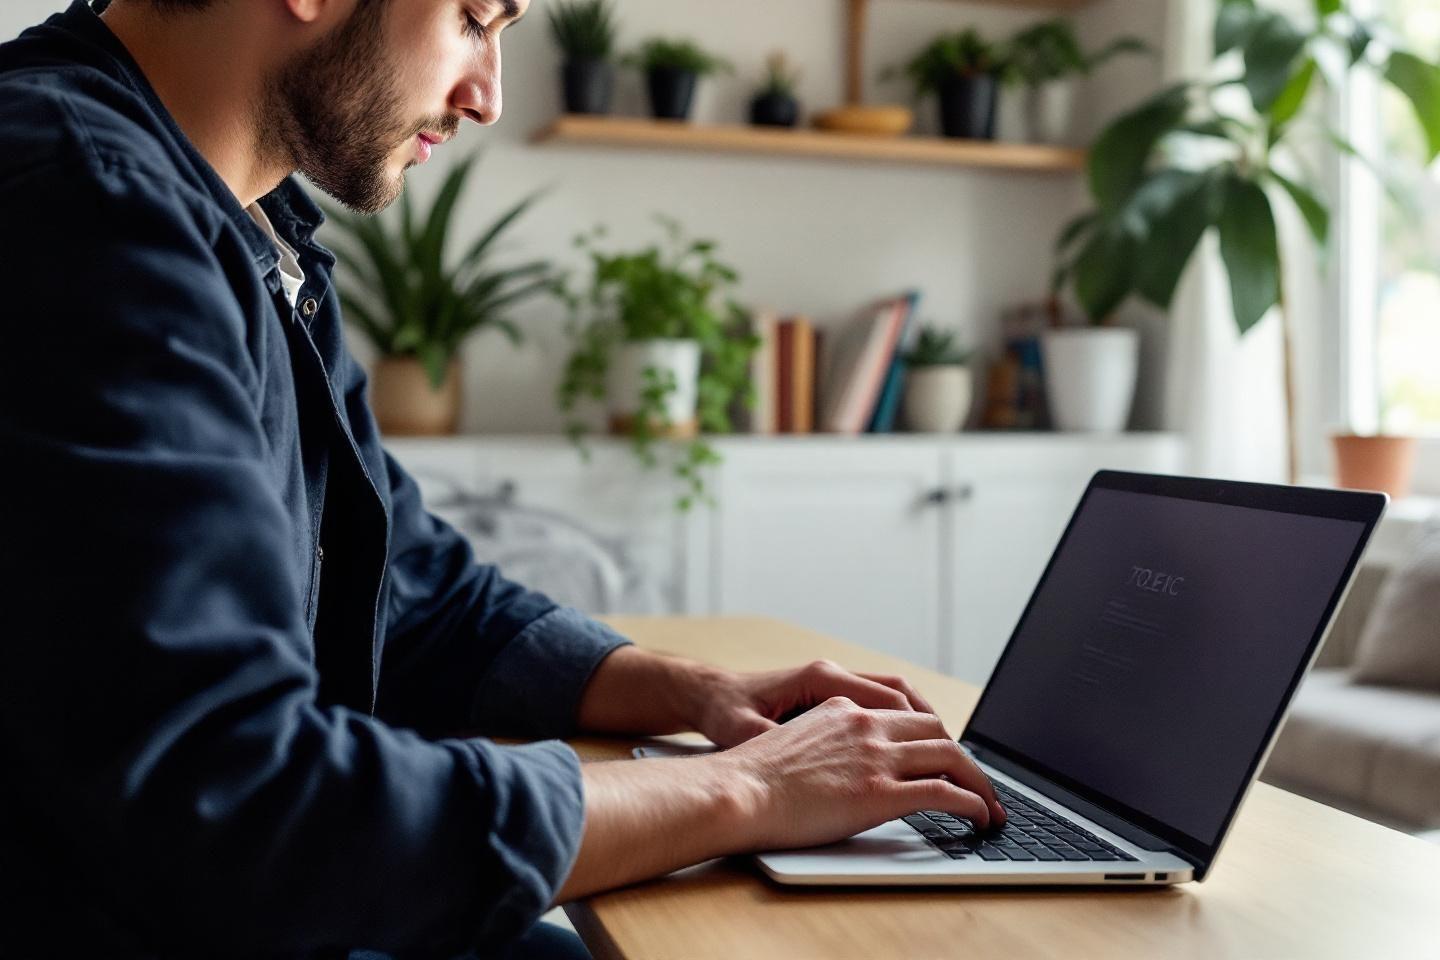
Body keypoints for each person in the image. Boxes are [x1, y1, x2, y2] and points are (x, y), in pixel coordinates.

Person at [0, 1, 1005, 957]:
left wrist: (702, 695)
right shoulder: (85, 210)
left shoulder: (250, 227)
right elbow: (245, 803)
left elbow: (411, 589)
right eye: (474, 20)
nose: (488, 95)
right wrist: (749, 790)